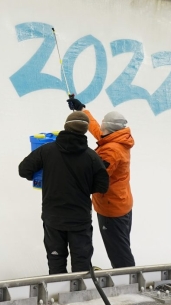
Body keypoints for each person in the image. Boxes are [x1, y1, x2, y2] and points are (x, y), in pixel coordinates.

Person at [18, 111, 110, 274]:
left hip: (53, 218)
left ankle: (56, 294)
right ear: (84, 130)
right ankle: (80, 298)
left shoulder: (46, 150)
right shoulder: (92, 157)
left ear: (66, 127)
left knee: (56, 263)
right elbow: (102, 186)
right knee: (81, 265)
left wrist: (44, 176)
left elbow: (23, 170)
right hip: (79, 220)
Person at [68, 96, 136, 269]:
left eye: (105, 124)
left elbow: (96, 177)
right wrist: (82, 110)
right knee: (121, 245)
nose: (102, 127)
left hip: (111, 208)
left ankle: (128, 283)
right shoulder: (118, 139)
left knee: (118, 251)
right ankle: (126, 276)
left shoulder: (110, 151)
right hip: (121, 203)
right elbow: (98, 131)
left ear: (110, 129)